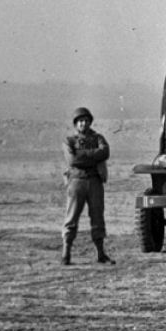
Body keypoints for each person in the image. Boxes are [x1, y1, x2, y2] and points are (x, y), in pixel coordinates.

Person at [61, 107, 112, 266]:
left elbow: (105, 152)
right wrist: (93, 156)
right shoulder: (69, 141)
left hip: (95, 181)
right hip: (76, 182)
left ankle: (101, 254)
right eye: (80, 121)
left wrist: (83, 155)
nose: (83, 123)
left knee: (97, 217)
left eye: (86, 120)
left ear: (90, 122)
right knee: (72, 217)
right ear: (76, 124)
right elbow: (73, 161)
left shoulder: (98, 138)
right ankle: (66, 254)